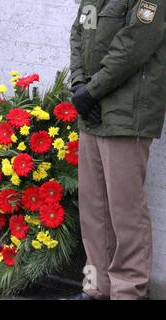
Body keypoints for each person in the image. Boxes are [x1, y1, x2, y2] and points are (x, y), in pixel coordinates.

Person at [69, 0, 166, 300]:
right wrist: (78, 85)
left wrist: (91, 91)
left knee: (126, 212)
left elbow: (132, 47)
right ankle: (96, 287)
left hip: (126, 114)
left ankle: (128, 291)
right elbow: (78, 34)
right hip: (92, 112)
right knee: (93, 209)